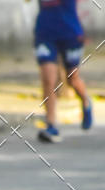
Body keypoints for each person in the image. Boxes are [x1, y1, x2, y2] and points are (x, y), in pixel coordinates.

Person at [27, 0, 93, 142]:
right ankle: (51, 126)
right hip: (45, 33)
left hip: (70, 33)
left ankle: (86, 101)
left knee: (72, 79)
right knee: (47, 80)